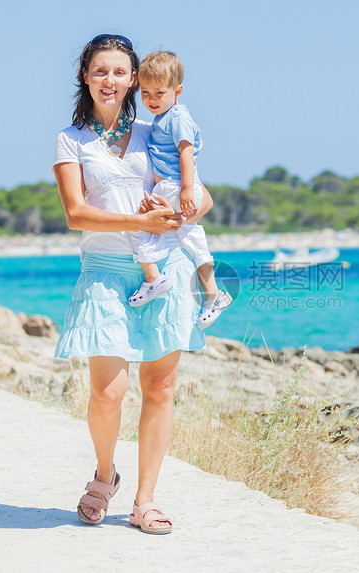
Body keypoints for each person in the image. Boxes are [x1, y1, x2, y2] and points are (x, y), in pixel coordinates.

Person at [52, 33, 211, 534]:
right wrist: (142, 225)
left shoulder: (156, 128)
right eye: (101, 70)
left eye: (121, 72)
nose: (111, 80)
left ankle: (145, 501)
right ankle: (104, 475)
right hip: (104, 271)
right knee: (107, 392)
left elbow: (200, 198)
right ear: (86, 75)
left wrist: (177, 211)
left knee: (160, 388)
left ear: (135, 79)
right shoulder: (70, 140)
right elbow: (76, 214)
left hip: (164, 271)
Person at [127, 50, 232, 329]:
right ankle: (213, 295)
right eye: (145, 92)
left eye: (159, 93)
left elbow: (186, 151)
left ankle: (154, 279)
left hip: (176, 186)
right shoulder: (163, 117)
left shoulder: (177, 117)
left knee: (138, 225)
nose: (151, 99)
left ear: (178, 91)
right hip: (176, 185)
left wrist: (186, 188)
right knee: (194, 241)